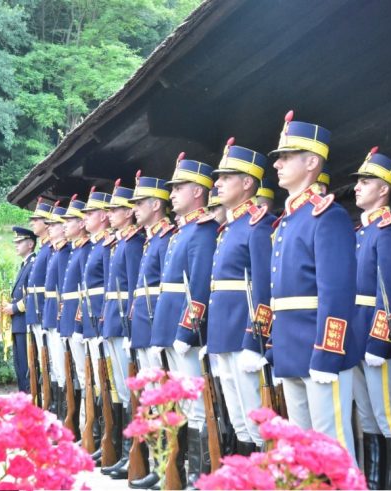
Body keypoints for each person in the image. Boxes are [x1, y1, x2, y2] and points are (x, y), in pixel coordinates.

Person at [266, 111, 358, 457]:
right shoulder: (287, 222)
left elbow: (336, 293)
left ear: (311, 162)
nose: (277, 165)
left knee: (331, 447)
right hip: (291, 347)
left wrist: (328, 351)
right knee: (302, 451)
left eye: (286, 157)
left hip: (319, 347)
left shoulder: (327, 216)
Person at [150, 153, 218, 487]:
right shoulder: (182, 231)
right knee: (176, 401)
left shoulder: (203, 231)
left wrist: (188, 328)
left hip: (185, 329)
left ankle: (198, 475)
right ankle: (180, 471)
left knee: (194, 406)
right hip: (168, 323)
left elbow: (200, 286)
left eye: (180, 187)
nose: (172, 193)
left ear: (198, 191)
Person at [207, 137, 275, 456]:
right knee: (238, 418)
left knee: (256, 419)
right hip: (223, 333)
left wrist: (255, 340)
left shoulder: (257, 227)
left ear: (247, 183)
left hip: (244, 335)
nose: (217, 183)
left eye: (225, 177)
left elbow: (264, 289)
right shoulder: (230, 228)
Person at [350, 148, 391, 489]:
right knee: (369, 419)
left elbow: (390, 295)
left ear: (384, 189)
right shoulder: (359, 234)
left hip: (377, 342)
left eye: (366, 181)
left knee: (390, 420)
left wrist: (379, 340)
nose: (358, 187)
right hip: (355, 339)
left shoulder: (389, 232)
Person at [126, 172, 176, 489]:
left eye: (140, 203)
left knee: (163, 402)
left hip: (156, 324)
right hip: (144, 326)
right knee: (150, 401)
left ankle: (168, 468)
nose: (135, 209)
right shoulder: (151, 239)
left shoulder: (165, 237)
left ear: (156, 205)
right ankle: (157, 465)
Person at [100, 179, 145, 479]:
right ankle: (126, 448)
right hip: (112, 319)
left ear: (128, 213)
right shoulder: (119, 242)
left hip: (124, 320)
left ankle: (137, 454)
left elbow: (132, 289)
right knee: (119, 386)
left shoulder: (132, 243)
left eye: (117, 209)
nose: (110, 214)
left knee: (133, 391)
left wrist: (130, 325)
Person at [80, 187, 118, 467]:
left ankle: (113, 442)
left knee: (110, 384)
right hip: (94, 320)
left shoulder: (107, 245)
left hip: (105, 319)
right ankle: (104, 437)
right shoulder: (96, 245)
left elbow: (109, 287)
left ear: (104, 217)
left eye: (91, 212)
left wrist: (104, 318)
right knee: (98, 383)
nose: (85, 218)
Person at [58, 196, 92, 443]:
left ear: (81, 224)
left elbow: (84, 292)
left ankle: (89, 429)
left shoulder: (86, 248)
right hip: (69, 316)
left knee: (85, 375)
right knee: (78, 375)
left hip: (79, 318)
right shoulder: (77, 250)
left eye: (70, 220)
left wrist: (79, 321)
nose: (65, 225)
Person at [41, 204, 71, 420]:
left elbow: (63, 290)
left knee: (64, 370)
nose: (49, 228)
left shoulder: (63, 252)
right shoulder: (55, 251)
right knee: (56, 369)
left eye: (55, 224)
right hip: (50, 313)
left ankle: (65, 418)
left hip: (59, 314)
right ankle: (60, 416)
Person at [25, 199, 54, 405]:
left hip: (44, 310)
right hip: (35, 310)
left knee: (51, 363)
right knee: (42, 363)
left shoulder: (51, 248)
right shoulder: (44, 248)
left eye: (36, 219)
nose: (33, 223)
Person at [2, 226, 37, 393]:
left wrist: (14, 308)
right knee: (20, 366)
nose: (16, 245)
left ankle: (28, 402)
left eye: (20, 242)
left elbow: (33, 294)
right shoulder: (24, 265)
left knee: (26, 365)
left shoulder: (33, 264)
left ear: (30, 244)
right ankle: (23, 401)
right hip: (18, 324)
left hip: (25, 322)